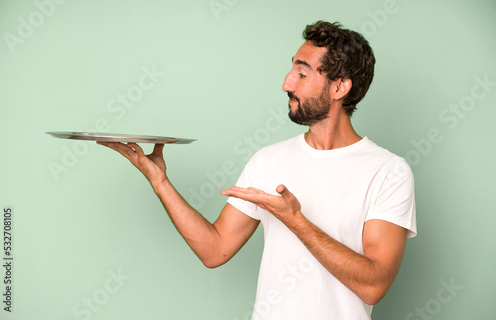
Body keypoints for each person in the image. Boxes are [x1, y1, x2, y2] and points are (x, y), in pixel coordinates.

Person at [98, 21, 416, 320]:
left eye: (302, 74)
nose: (286, 83)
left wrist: (296, 220)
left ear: (339, 88)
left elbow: (374, 286)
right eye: (291, 68)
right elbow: (215, 250)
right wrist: (160, 181)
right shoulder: (269, 160)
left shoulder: (388, 171)